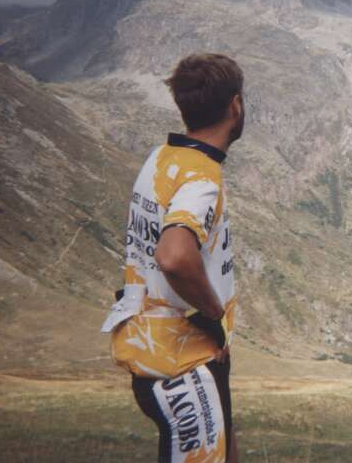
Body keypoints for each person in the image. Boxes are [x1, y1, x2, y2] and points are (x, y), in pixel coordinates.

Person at [101, 53, 245, 462]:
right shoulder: (201, 177)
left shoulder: (162, 158)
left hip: (151, 350)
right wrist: (213, 314)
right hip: (185, 362)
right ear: (235, 107)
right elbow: (174, 256)